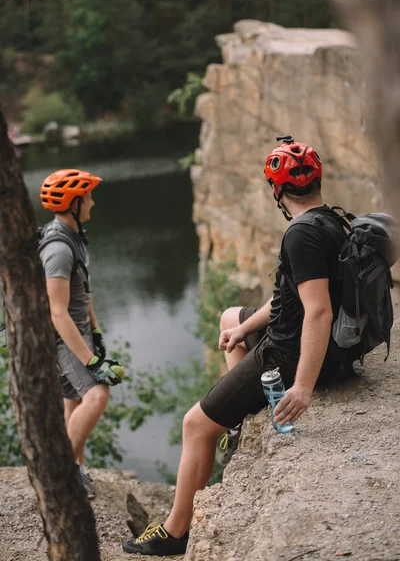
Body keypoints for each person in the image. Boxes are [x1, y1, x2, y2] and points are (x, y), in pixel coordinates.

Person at [122, 136, 345, 556]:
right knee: (230, 318)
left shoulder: (300, 236)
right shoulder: (331, 220)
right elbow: (286, 301)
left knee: (194, 426)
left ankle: (175, 532)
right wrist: (243, 328)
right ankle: (238, 417)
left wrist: (302, 387)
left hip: (288, 353)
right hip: (303, 336)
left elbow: (318, 312)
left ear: (276, 190)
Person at [39, 169, 124, 499]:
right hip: (64, 339)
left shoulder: (74, 235)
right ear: (73, 203)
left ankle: (76, 469)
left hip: (80, 334)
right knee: (97, 395)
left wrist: (97, 331)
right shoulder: (59, 249)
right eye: (87, 196)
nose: (93, 201)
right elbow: (57, 311)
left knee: (74, 402)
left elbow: (82, 292)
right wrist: (90, 360)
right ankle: (62, 475)